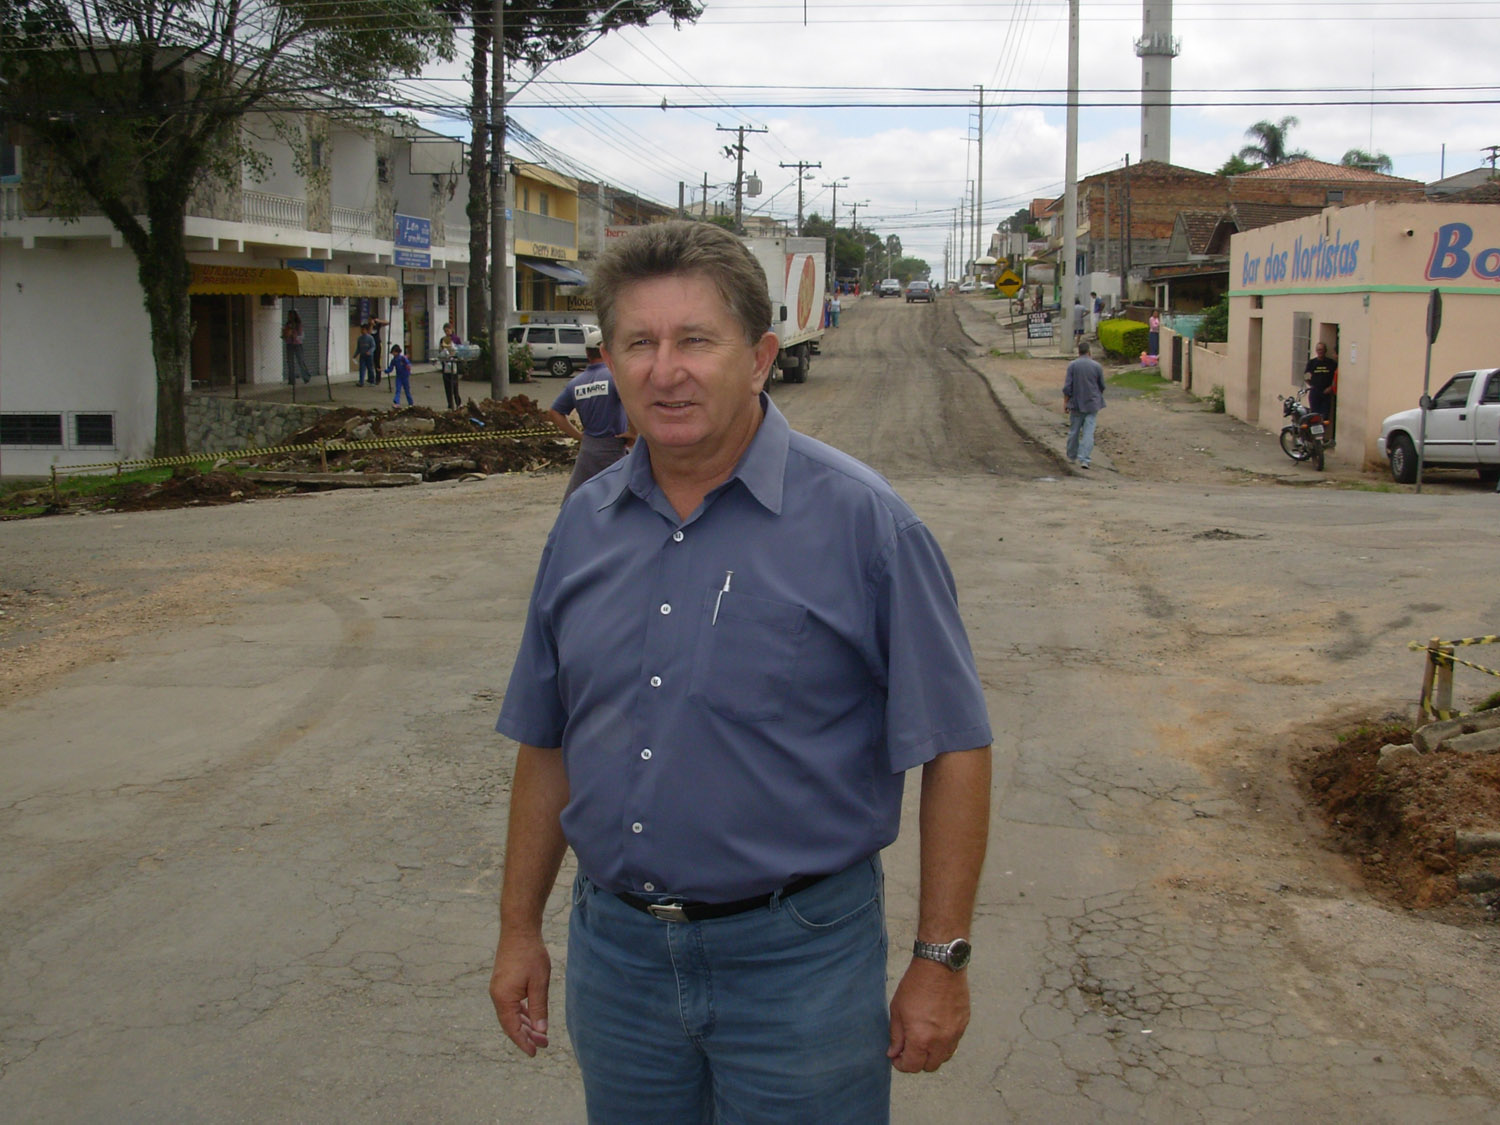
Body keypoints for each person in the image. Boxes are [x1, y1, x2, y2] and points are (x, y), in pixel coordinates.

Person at [489, 220, 992, 1124]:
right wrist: (519, 927)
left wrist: (940, 956)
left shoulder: (865, 524)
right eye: (639, 343)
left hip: (797, 962)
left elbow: (954, 747)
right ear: (610, 360)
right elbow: (549, 737)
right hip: (618, 961)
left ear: (760, 357)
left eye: (695, 341)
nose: (664, 369)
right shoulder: (583, 527)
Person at [544, 325, 633, 501]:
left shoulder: (576, 383)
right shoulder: (613, 377)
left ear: (587, 354)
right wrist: (634, 431)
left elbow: (555, 413)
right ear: (607, 351)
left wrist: (579, 436)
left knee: (577, 499)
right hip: (613, 446)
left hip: (588, 448)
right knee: (624, 498)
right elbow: (632, 401)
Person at [1064, 339, 1107, 469]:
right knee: (1088, 432)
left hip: (1076, 403)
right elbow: (1102, 386)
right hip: (1092, 404)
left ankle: (1072, 456)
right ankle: (1085, 459)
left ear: (1079, 352)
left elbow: (1067, 387)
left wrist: (1066, 402)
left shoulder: (1072, 365)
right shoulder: (1096, 366)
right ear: (1089, 352)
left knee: (1074, 431)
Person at [1303, 341, 1337, 424]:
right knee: (1314, 415)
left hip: (1326, 393)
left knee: (1325, 416)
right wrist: (1311, 385)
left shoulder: (1331, 363)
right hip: (1315, 392)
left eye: (1321, 349)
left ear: (1325, 350)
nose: (1320, 351)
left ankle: (1322, 433)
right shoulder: (1312, 363)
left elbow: (1336, 377)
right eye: (1318, 350)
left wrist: (1331, 387)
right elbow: (1306, 376)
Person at [282, 309, 312, 384]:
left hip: (297, 344)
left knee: (300, 361)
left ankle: (306, 377)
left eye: (291, 315)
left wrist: (295, 336)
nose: (289, 317)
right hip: (289, 344)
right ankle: (291, 380)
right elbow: (285, 334)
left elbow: (301, 335)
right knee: (290, 362)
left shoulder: (298, 324)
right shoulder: (287, 324)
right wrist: (286, 334)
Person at [438, 332, 462, 410]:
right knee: (448, 388)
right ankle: (450, 405)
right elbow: (440, 356)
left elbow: (457, 353)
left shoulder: (453, 347)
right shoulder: (444, 351)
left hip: (453, 370)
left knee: (454, 387)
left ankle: (458, 403)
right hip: (446, 370)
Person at [352, 322, 378, 387]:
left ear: (366, 330)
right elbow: (358, 348)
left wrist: (370, 351)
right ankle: (361, 382)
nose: (362, 331)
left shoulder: (370, 338)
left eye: (363, 329)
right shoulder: (360, 339)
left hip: (369, 356)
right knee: (362, 369)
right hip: (362, 356)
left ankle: (372, 381)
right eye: (361, 329)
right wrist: (355, 355)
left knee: (370, 368)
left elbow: (373, 346)